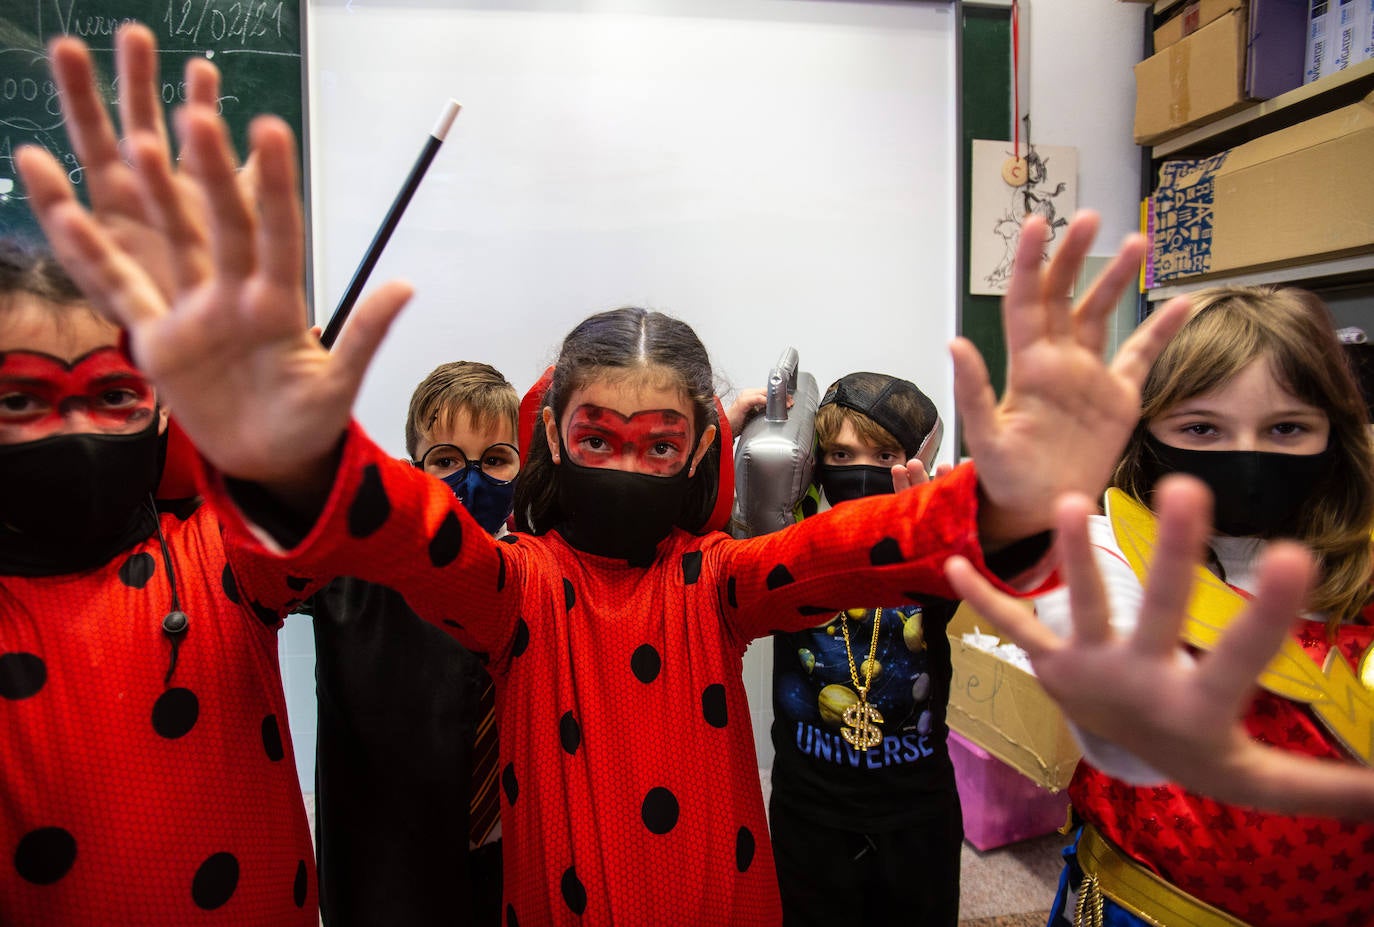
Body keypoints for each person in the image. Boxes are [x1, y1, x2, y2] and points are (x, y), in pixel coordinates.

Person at [18, 25, 1222, 926]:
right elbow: (402, 533)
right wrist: (300, 457)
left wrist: (1001, 500)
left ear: (704, 444)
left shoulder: (721, 581)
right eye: (600, 438)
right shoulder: (510, 584)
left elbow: (860, 549)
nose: (631, 463)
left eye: (661, 443)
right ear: (553, 436)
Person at [960, 286, 1374, 926]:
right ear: (1146, 433)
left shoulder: (1360, 565)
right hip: (1134, 906)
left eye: (1286, 428)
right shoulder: (1110, 545)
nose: (1247, 455)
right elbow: (1115, 678)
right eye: (1202, 427)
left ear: (1333, 435)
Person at [0, 239, 320, 923]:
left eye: (114, 393)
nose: (75, 429)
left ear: (165, 404)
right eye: (22, 399)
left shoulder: (225, 552)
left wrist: (305, 447)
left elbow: (349, 533)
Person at [311, 361, 517, 926]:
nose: (472, 479)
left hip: (513, 866)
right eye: (447, 459)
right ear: (413, 466)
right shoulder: (353, 567)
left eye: (495, 459)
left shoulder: (536, 570)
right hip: (389, 876)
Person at [767, 372, 967, 925]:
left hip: (914, 813)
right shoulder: (789, 542)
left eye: (885, 454)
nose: (860, 469)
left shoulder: (937, 552)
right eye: (840, 452)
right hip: (810, 812)